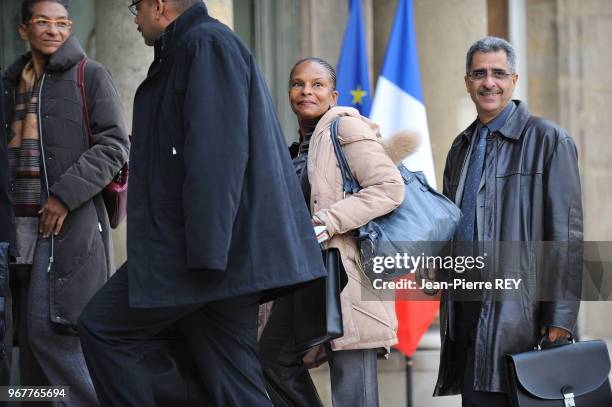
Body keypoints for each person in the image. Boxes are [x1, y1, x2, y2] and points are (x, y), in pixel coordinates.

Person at [77, 1, 326, 406]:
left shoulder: (205, 45)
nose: (134, 18)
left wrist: (207, 256)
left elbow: (216, 154)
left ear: (158, 5)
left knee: (103, 327)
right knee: (235, 383)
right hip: (214, 258)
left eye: (135, 7)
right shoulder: (192, 48)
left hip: (202, 256)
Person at [259, 57, 418, 407]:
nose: (306, 91)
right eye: (298, 84)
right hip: (304, 279)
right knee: (272, 359)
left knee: (352, 391)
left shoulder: (344, 128)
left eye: (317, 84)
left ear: (333, 94)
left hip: (347, 276)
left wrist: (327, 221)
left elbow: (389, 188)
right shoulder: (298, 145)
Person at [433, 36, 583, 406]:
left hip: (524, 317)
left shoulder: (549, 140)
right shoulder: (460, 146)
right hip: (467, 315)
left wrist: (561, 316)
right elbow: (455, 222)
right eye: (479, 73)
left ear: (514, 80)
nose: (489, 82)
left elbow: (566, 234)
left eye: (499, 73)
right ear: (467, 81)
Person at [1, 0, 130, 404]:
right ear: (24, 30)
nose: (54, 31)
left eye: (62, 23)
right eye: (43, 22)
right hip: (12, 231)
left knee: (52, 333)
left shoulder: (88, 75)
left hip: (65, 230)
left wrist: (63, 196)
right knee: (23, 346)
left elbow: (114, 146)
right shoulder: (8, 84)